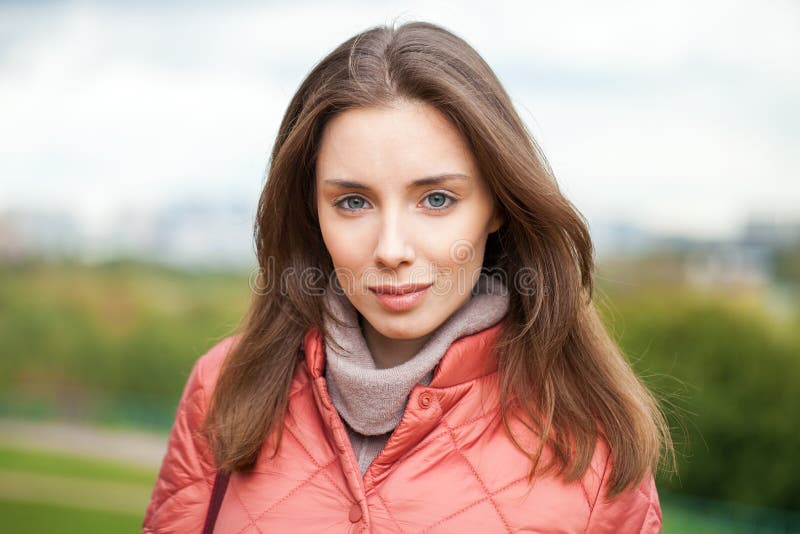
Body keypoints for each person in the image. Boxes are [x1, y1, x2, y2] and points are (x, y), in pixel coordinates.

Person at [143, 20, 673, 533]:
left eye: (436, 200)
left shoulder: (596, 443)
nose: (391, 249)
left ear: (499, 204)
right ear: (312, 212)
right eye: (353, 202)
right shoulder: (221, 387)